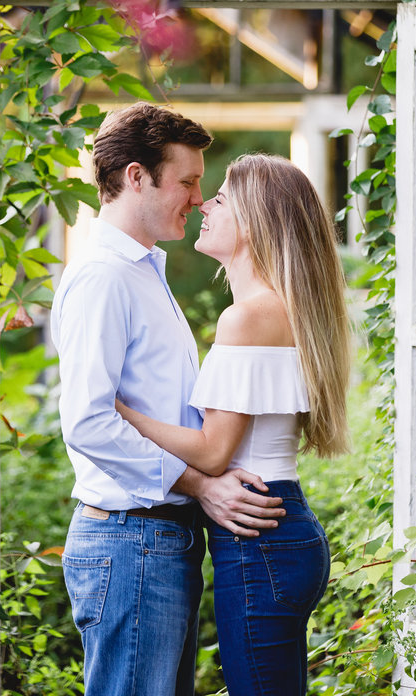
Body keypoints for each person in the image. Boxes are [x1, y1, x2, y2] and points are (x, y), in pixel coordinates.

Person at [50, 104, 286, 696]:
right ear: (136, 176)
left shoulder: (143, 272)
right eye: (186, 181)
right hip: (130, 539)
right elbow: (88, 423)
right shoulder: (105, 277)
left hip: (155, 541)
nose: (199, 198)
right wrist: (201, 485)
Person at [116, 153, 351, 696]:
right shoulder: (277, 308)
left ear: (255, 220)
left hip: (259, 537)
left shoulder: (247, 317)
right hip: (278, 528)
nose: (204, 202)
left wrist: (120, 411)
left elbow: (213, 452)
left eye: (220, 197)